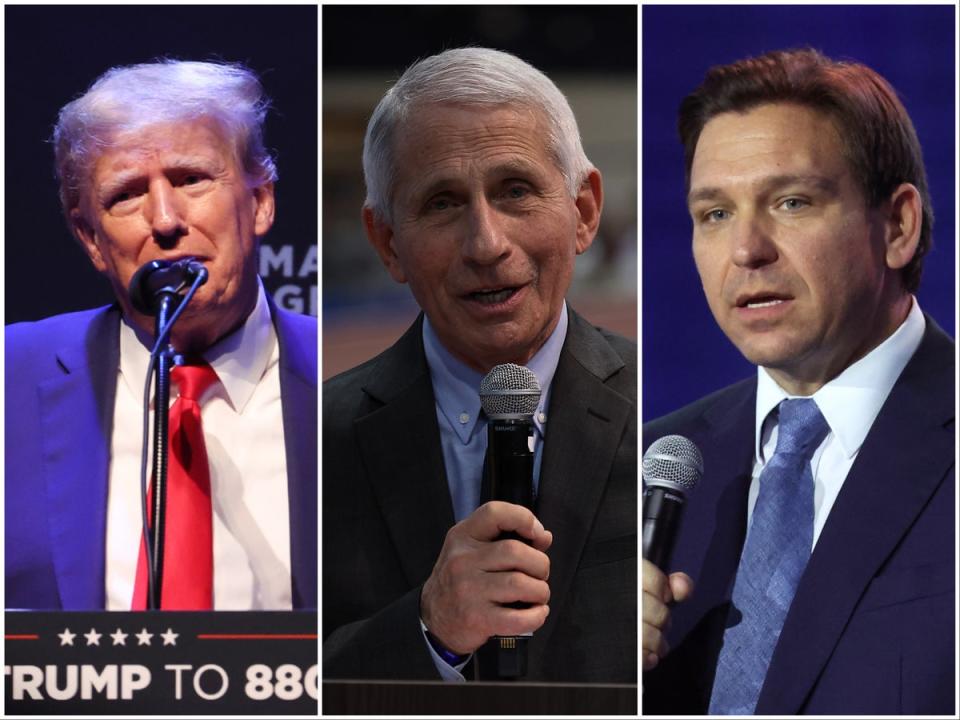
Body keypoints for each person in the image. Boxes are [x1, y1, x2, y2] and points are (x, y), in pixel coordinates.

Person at [642, 49, 954, 714]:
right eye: (715, 214)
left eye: (791, 201)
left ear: (898, 226)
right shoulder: (648, 471)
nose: (746, 250)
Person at [323, 47, 636, 682]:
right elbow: (258, 682)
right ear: (387, 243)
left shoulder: (672, 419)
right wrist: (428, 631)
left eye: (515, 190)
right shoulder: (308, 442)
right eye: (442, 203)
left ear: (583, 211)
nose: (487, 245)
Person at [5, 60, 317, 611]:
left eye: (191, 178)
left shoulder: (340, 378)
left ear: (260, 200)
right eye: (126, 194)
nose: (166, 219)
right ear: (91, 239)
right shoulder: (13, 379)